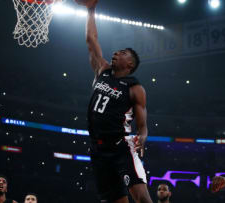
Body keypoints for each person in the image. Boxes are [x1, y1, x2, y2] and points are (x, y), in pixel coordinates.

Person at [75, 0, 152, 202]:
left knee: (142, 198)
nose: (116, 53)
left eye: (123, 53)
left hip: (121, 147)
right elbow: (91, 40)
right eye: (117, 51)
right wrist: (91, 10)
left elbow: (142, 125)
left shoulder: (135, 88)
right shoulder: (103, 70)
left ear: (130, 64)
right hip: (98, 149)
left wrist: (143, 137)